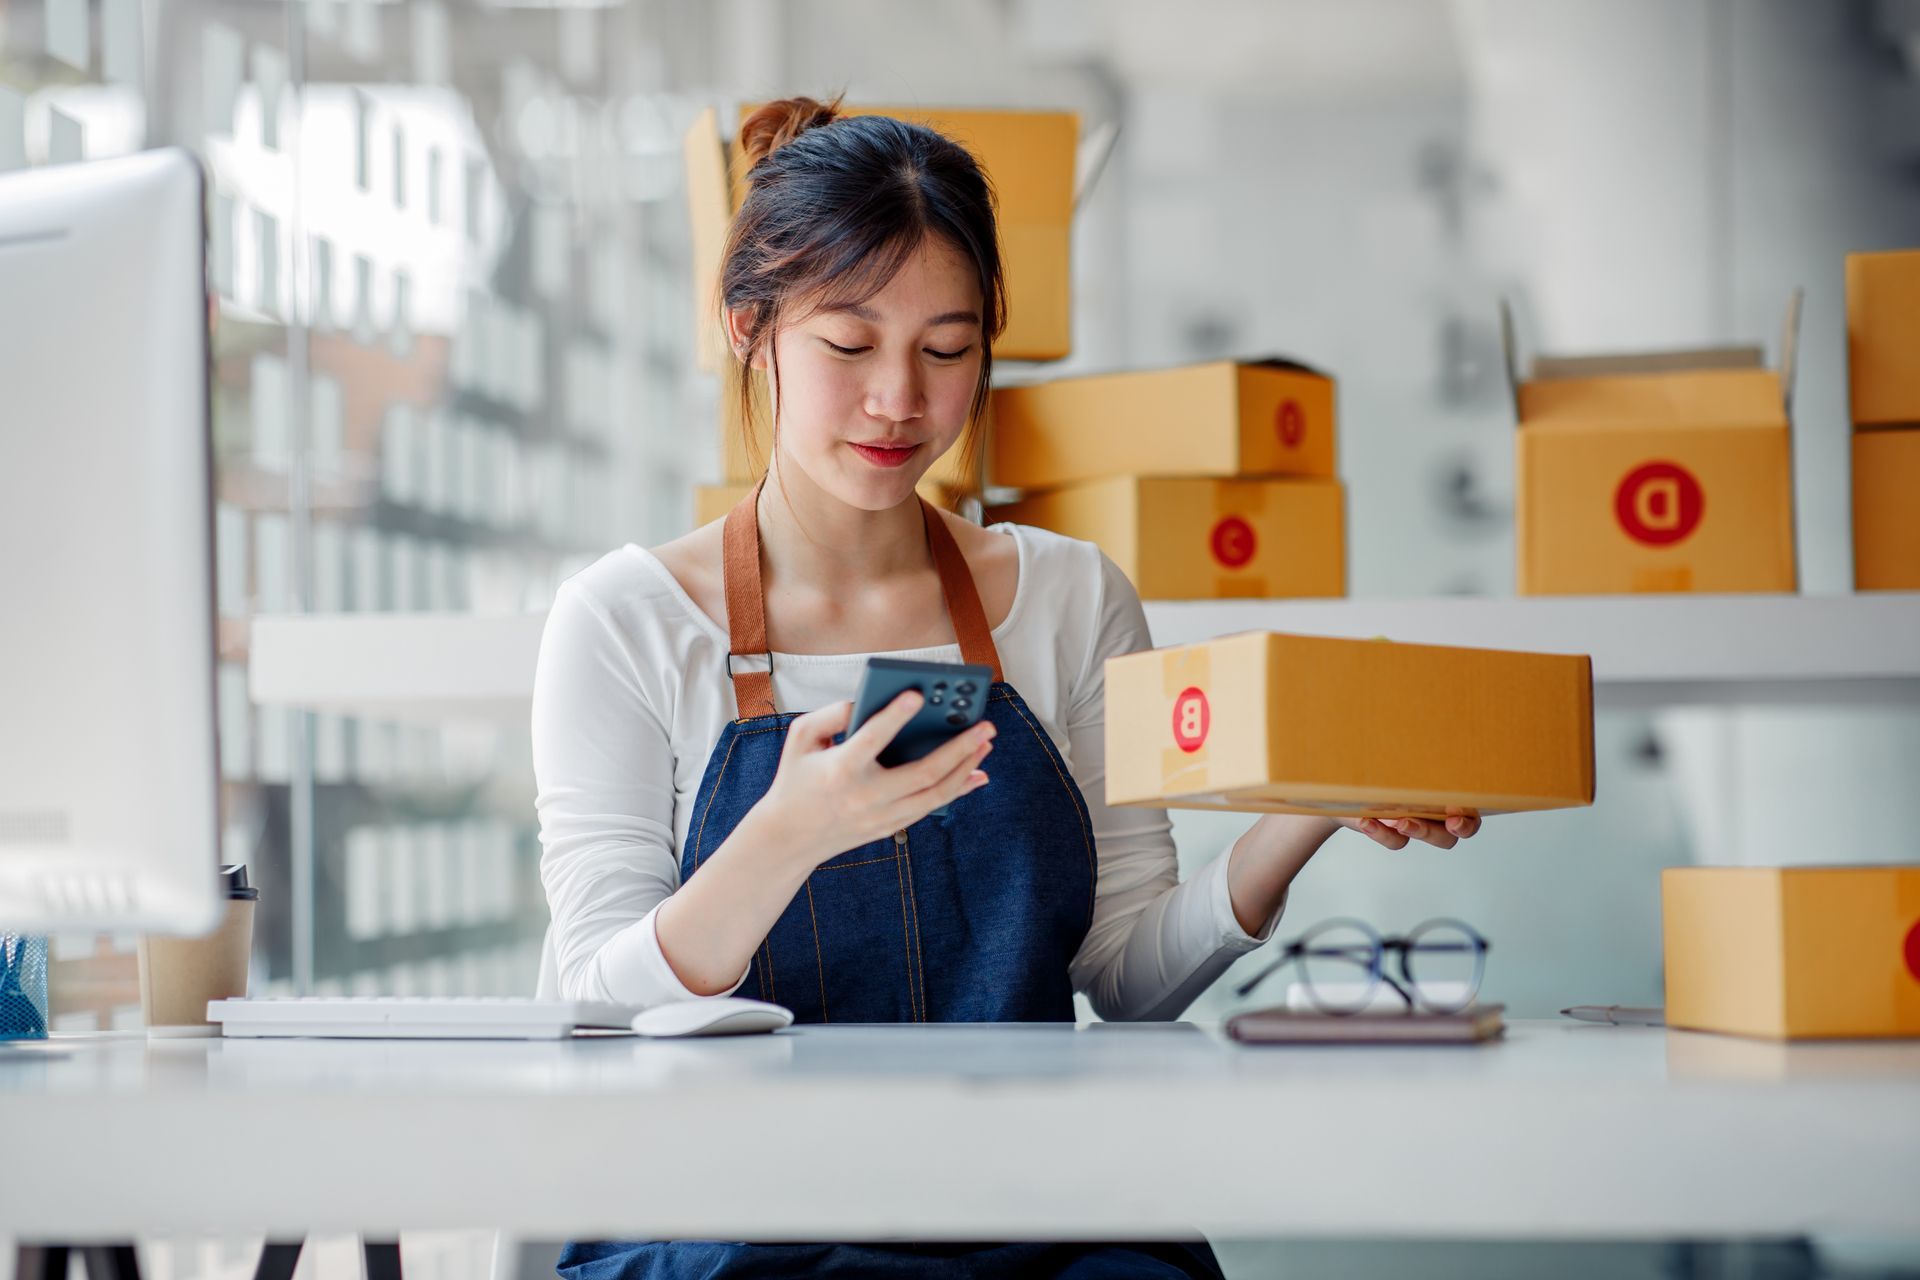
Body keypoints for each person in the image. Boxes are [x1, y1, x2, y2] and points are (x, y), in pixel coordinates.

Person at [532, 95, 1480, 1280]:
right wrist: (785, 834)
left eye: (946, 349)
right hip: (729, 1213)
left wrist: (1306, 812)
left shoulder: (1071, 596)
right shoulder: (625, 621)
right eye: (848, 343)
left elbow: (1126, 980)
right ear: (747, 330)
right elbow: (596, 1000)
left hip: (1036, 1204)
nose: (900, 400)